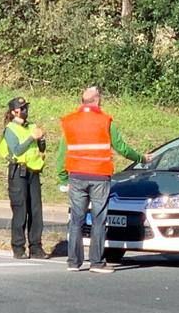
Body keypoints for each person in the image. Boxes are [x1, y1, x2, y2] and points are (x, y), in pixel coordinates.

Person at [56, 86, 145, 273]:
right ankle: (96, 262)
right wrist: (141, 158)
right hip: (99, 176)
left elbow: (62, 153)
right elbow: (121, 147)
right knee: (98, 219)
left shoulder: (70, 121)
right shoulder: (105, 120)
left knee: (76, 220)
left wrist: (63, 178)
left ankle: (73, 262)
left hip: (77, 176)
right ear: (96, 100)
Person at [0, 96, 48, 259]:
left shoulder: (31, 126)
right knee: (21, 211)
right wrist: (32, 138)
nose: (25, 110)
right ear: (14, 112)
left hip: (33, 171)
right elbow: (17, 150)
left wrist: (41, 139)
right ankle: (18, 248)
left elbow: (40, 147)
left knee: (35, 210)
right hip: (18, 173)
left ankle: (36, 247)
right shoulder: (10, 129)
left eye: (26, 107)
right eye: (22, 108)